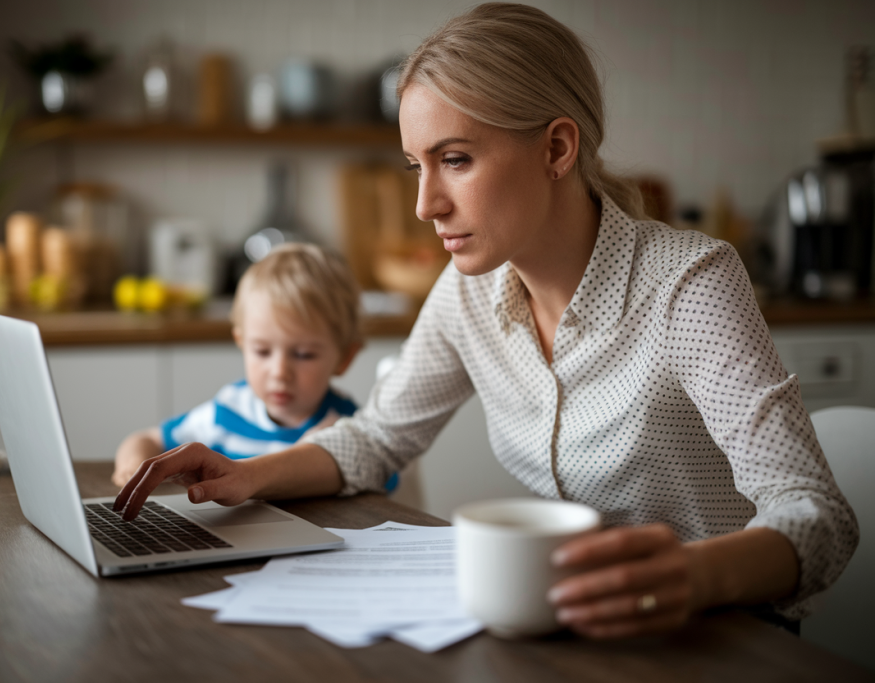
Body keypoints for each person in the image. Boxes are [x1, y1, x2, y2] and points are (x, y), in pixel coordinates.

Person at [114, 3, 858, 639]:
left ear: (557, 148)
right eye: (417, 166)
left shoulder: (688, 286)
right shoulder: (473, 290)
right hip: (576, 628)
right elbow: (378, 437)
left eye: (456, 159)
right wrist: (248, 474)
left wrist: (691, 575)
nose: (424, 204)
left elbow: (817, 515)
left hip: (718, 635)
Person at [111, 243, 364, 488]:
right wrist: (133, 466)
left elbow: (380, 480)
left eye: (304, 354)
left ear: (344, 358)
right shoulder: (227, 412)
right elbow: (147, 439)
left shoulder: (347, 427)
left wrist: (319, 457)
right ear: (241, 343)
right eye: (262, 351)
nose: (279, 372)